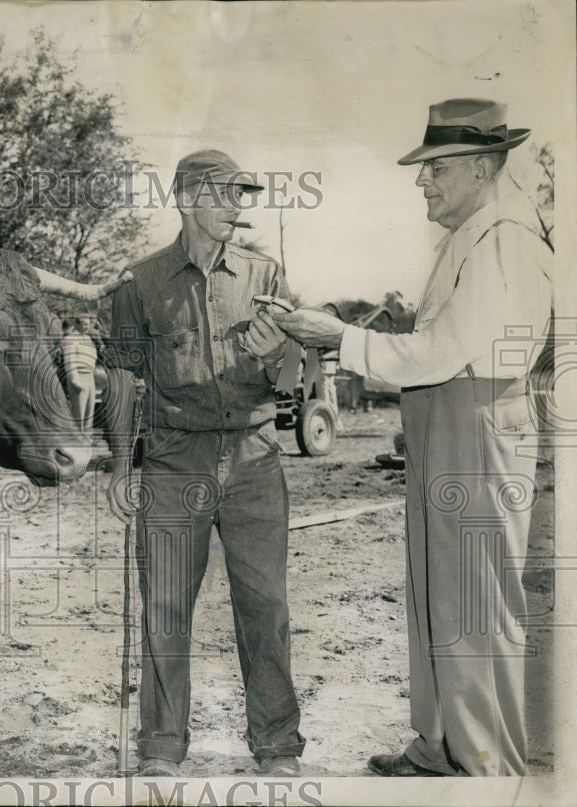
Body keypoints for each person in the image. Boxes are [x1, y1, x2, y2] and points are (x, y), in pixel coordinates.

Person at [273, 98, 553, 776]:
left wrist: (339, 336)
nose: (422, 180)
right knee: (437, 590)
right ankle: (441, 744)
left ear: (482, 167)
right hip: (448, 423)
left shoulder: (505, 239)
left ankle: (486, 767)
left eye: (438, 167)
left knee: (474, 602)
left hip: (475, 430)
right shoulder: (473, 237)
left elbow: (439, 352)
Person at [109, 149, 305, 777]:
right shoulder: (139, 282)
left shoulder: (265, 273)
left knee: (266, 607)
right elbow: (121, 379)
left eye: (242, 195)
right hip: (173, 462)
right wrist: (119, 468)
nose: (237, 206)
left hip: (255, 458)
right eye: (225, 194)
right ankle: (162, 747)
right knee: (166, 608)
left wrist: (277, 357)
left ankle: (277, 746)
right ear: (187, 199)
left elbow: (294, 376)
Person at [60, 318, 98, 434]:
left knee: (89, 411)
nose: (87, 327)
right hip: (79, 376)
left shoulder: (88, 338)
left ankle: (87, 437)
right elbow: (69, 362)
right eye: (84, 324)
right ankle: (77, 438)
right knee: (79, 412)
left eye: (88, 324)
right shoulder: (70, 339)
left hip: (90, 376)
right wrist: (75, 381)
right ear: (76, 324)